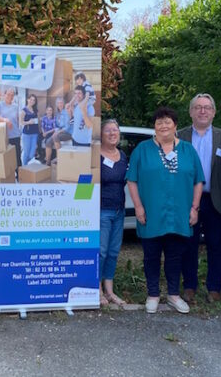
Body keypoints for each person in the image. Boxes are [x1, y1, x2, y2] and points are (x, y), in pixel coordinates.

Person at [127, 107, 203, 315]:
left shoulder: (188, 150)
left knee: (175, 256)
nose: (163, 126)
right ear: (154, 126)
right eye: (159, 122)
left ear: (175, 125)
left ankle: (173, 295)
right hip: (151, 213)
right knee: (151, 255)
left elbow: (198, 181)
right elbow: (132, 180)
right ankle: (152, 294)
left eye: (167, 121)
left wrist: (195, 208)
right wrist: (139, 207)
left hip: (179, 214)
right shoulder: (142, 149)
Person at [177, 93, 221, 303]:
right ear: (191, 111)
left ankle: (214, 288)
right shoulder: (179, 136)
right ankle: (189, 286)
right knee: (187, 244)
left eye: (207, 107)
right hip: (187, 200)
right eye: (198, 107)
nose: (203, 111)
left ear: (214, 112)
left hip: (215, 199)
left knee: (216, 244)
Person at [99, 119, 128, 306]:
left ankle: (109, 290)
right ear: (101, 134)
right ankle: (97, 290)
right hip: (101, 211)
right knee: (100, 252)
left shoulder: (122, 155)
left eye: (115, 130)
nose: (112, 133)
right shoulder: (95, 156)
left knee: (113, 251)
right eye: (108, 130)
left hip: (119, 210)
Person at [0, 86, 22, 166]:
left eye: (12, 95)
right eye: (8, 94)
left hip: (16, 135)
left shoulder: (16, 106)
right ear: (4, 94)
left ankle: (20, 176)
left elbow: (18, 119)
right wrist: (5, 120)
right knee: (6, 159)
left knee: (17, 157)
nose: (10, 96)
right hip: (4, 136)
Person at [44, 96, 72, 163]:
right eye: (58, 103)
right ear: (56, 104)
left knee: (55, 136)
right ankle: (47, 163)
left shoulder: (66, 112)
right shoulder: (57, 114)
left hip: (68, 132)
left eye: (61, 103)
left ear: (64, 103)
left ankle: (59, 158)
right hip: (60, 132)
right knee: (48, 141)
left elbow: (67, 127)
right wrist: (56, 131)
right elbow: (56, 125)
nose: (60, 104)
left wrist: (58, 132)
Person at [20, 94, 40, 165]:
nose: (32, 101)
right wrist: (29, 122)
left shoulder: (36, 110)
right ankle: (24, 168)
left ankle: (30, 169)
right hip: (27, 134)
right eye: (31, 99)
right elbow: (21, 122)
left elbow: (38, 121)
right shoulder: (24, 110)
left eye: (34, 100)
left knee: (32, 153)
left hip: (35, 134)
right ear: (27, 99)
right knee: (26, 152)